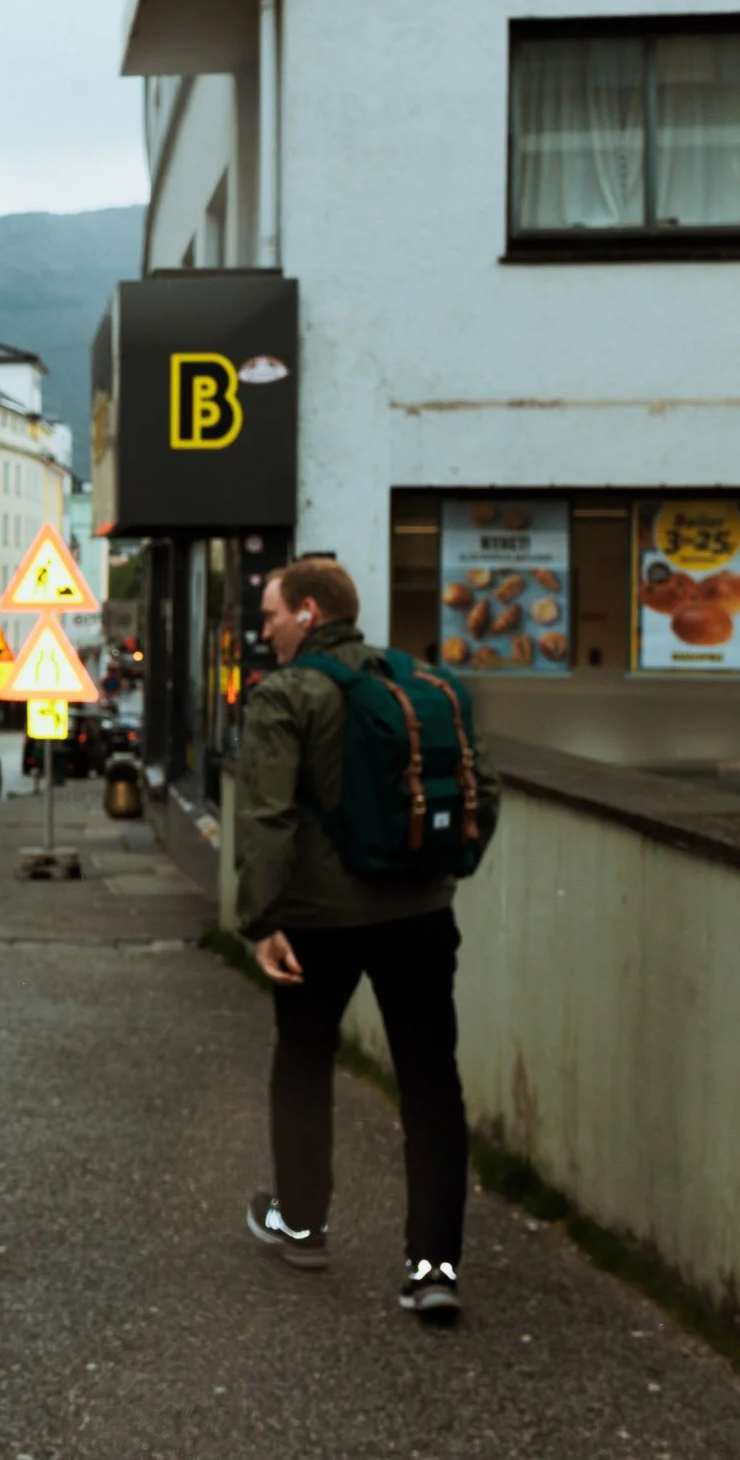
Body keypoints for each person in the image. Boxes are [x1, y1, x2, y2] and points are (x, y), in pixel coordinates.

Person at [234, 557, 498, 1325]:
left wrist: (260, 919)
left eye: (273, 613)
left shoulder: (286, 693)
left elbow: (268, 816)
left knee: (304, 1063)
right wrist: (447, 874)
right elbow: (486, 785)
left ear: (309, 613)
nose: (266, 628)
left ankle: (304, 1226)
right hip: (420, 914)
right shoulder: (420, 683)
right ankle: (433, 1267)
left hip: (320, 920)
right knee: (430, 1083)